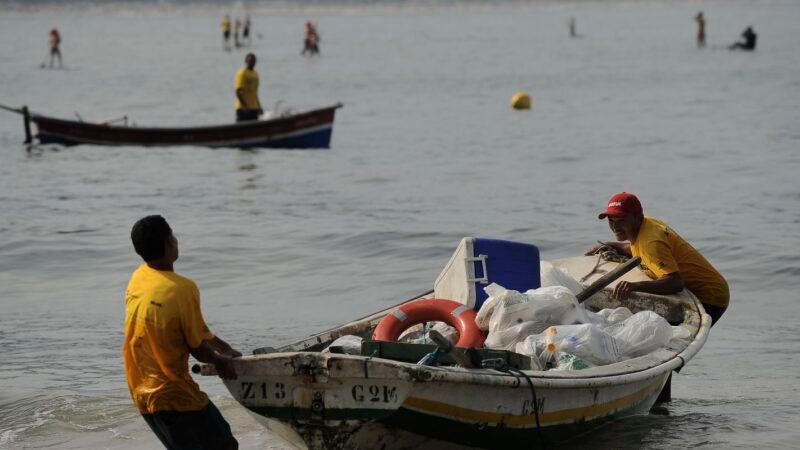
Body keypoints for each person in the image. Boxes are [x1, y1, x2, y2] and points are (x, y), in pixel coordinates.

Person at [123, 215, 241, 449]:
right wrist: (220, 362)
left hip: (140, 390)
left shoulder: (138, 278)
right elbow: (197, 347)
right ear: (169, 242)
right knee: (225, 445)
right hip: (173, 394)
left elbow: (194, 330)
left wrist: (225, 349)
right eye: (173, 236)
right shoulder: (182, 289)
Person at [585, 192, 730, 326]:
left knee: (664, 336)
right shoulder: (645, 225)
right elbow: (636, 249)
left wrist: (634, 286)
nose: (615, 227)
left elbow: (675, 282)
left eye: (622, 220)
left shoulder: (652, 242)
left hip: (710, 297)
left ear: (638, 217)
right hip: (696, 289)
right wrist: (611, 245)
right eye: (611, 220)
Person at [234, 53, 263, 122]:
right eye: (250, 61)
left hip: (254, 108)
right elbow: (238, 92)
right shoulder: (242, 73)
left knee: (255, 129)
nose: (252, 63)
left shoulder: (255, 74)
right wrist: (245, 107)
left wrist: (259, 106)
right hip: (243, 108)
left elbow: (255, 93)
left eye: (253, 61)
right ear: (246, 61)